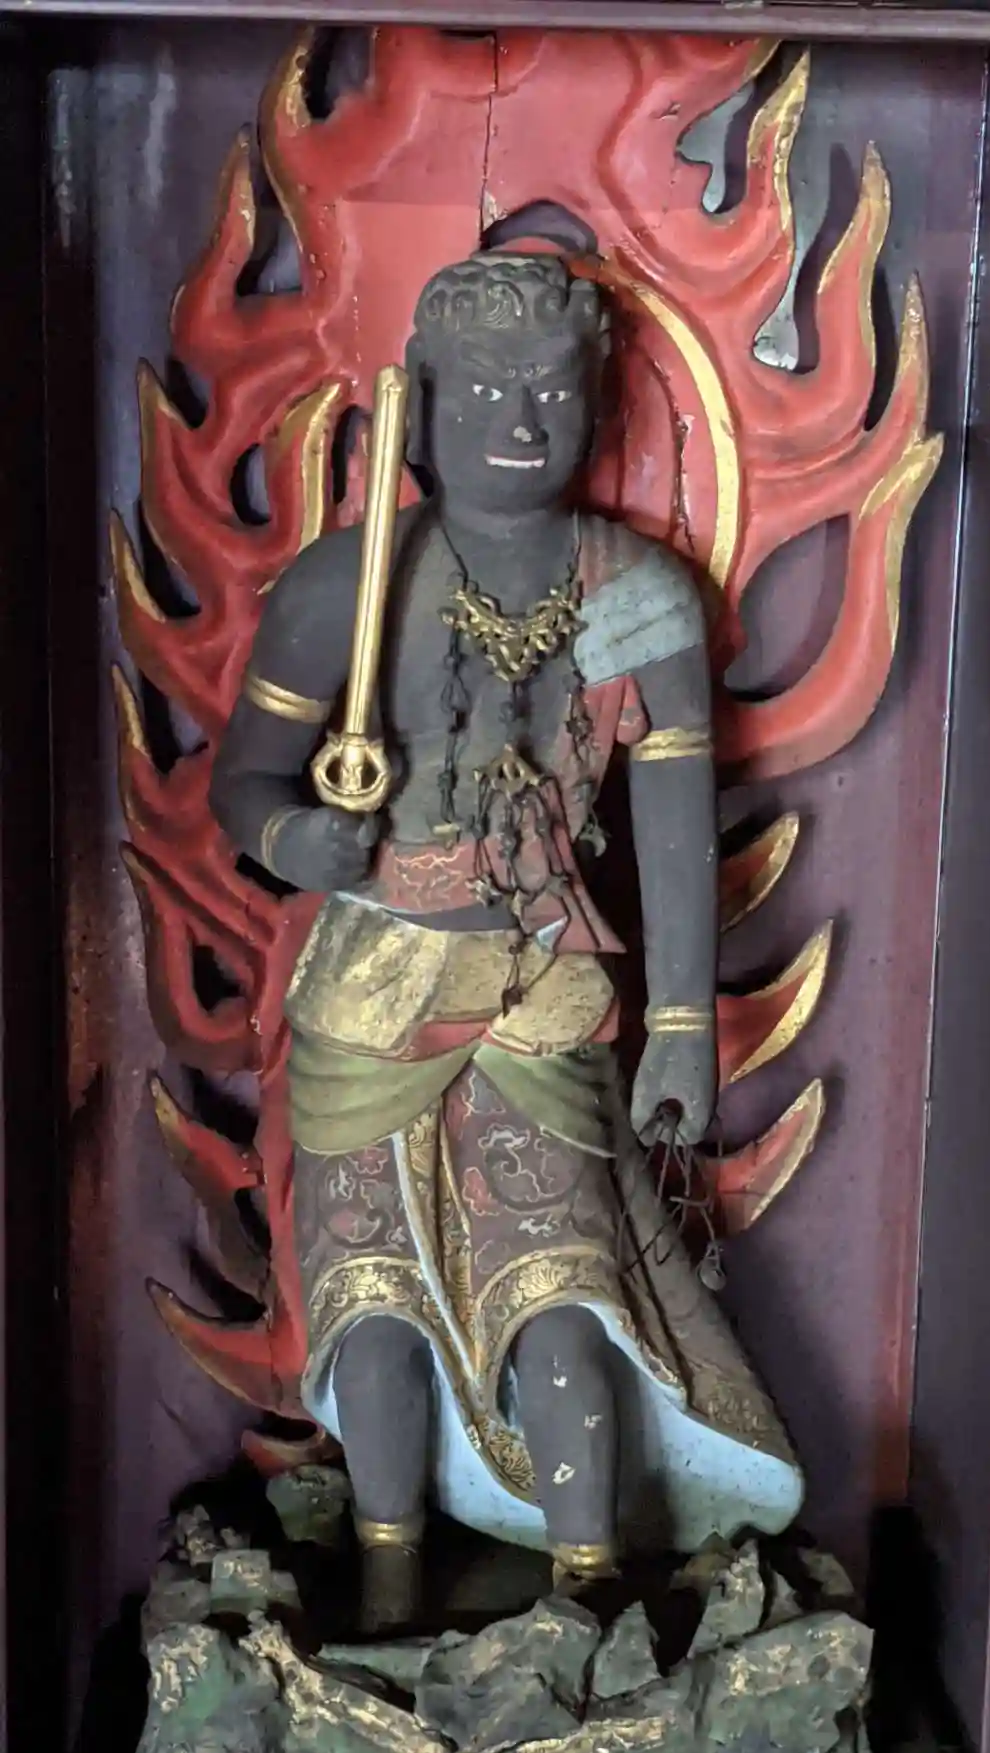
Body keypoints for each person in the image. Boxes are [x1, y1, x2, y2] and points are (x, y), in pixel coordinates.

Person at [210, 204, 802, 1628]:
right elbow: (244, 782)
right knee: (371, 1296)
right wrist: (301, 835)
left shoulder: (638, 596)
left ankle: (589, 1583)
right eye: (482, 392)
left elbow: (674, 828)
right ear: (418, 409)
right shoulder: (349, 586)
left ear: (598, 406)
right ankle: (389, 1576)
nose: (520, 423)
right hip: (374, 982)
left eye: (551, 390)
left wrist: (680, 1027)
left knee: (563, 1289)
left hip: (545, 986)